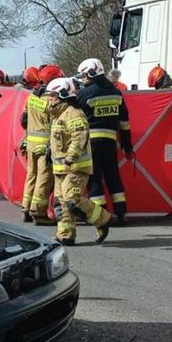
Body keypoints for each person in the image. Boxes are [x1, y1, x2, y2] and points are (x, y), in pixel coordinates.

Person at [46, 76, 111, 246]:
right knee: (61, 204)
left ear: (62, 94)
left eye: (53, 95)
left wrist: (70, 158)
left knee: (72, 200)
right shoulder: (57, 116)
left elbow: (79, 138)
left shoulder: (74, 114)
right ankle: (66, 235)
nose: (50, 99)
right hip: (60, 169)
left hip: (75, 167)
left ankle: (103, 220)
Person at [76, 57, 133, 226]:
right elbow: (124, 121)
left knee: (94, 179)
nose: (84, 79)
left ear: (92, 73)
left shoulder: (85, 93)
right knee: (113, 176)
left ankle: (101, 215)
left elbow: (76, 118)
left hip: (90, 143)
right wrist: (127, 144)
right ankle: (121, 213)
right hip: (110, 142)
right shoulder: (116, 93)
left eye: (85, 76)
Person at [19, 65, 56, 225]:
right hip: (45, 146)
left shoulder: (32, 97)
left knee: (31, 176)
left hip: (31, 144)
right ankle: (39, 213)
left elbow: (23, 120)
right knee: (44, 178)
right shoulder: (52, 101)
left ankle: (26, 208)